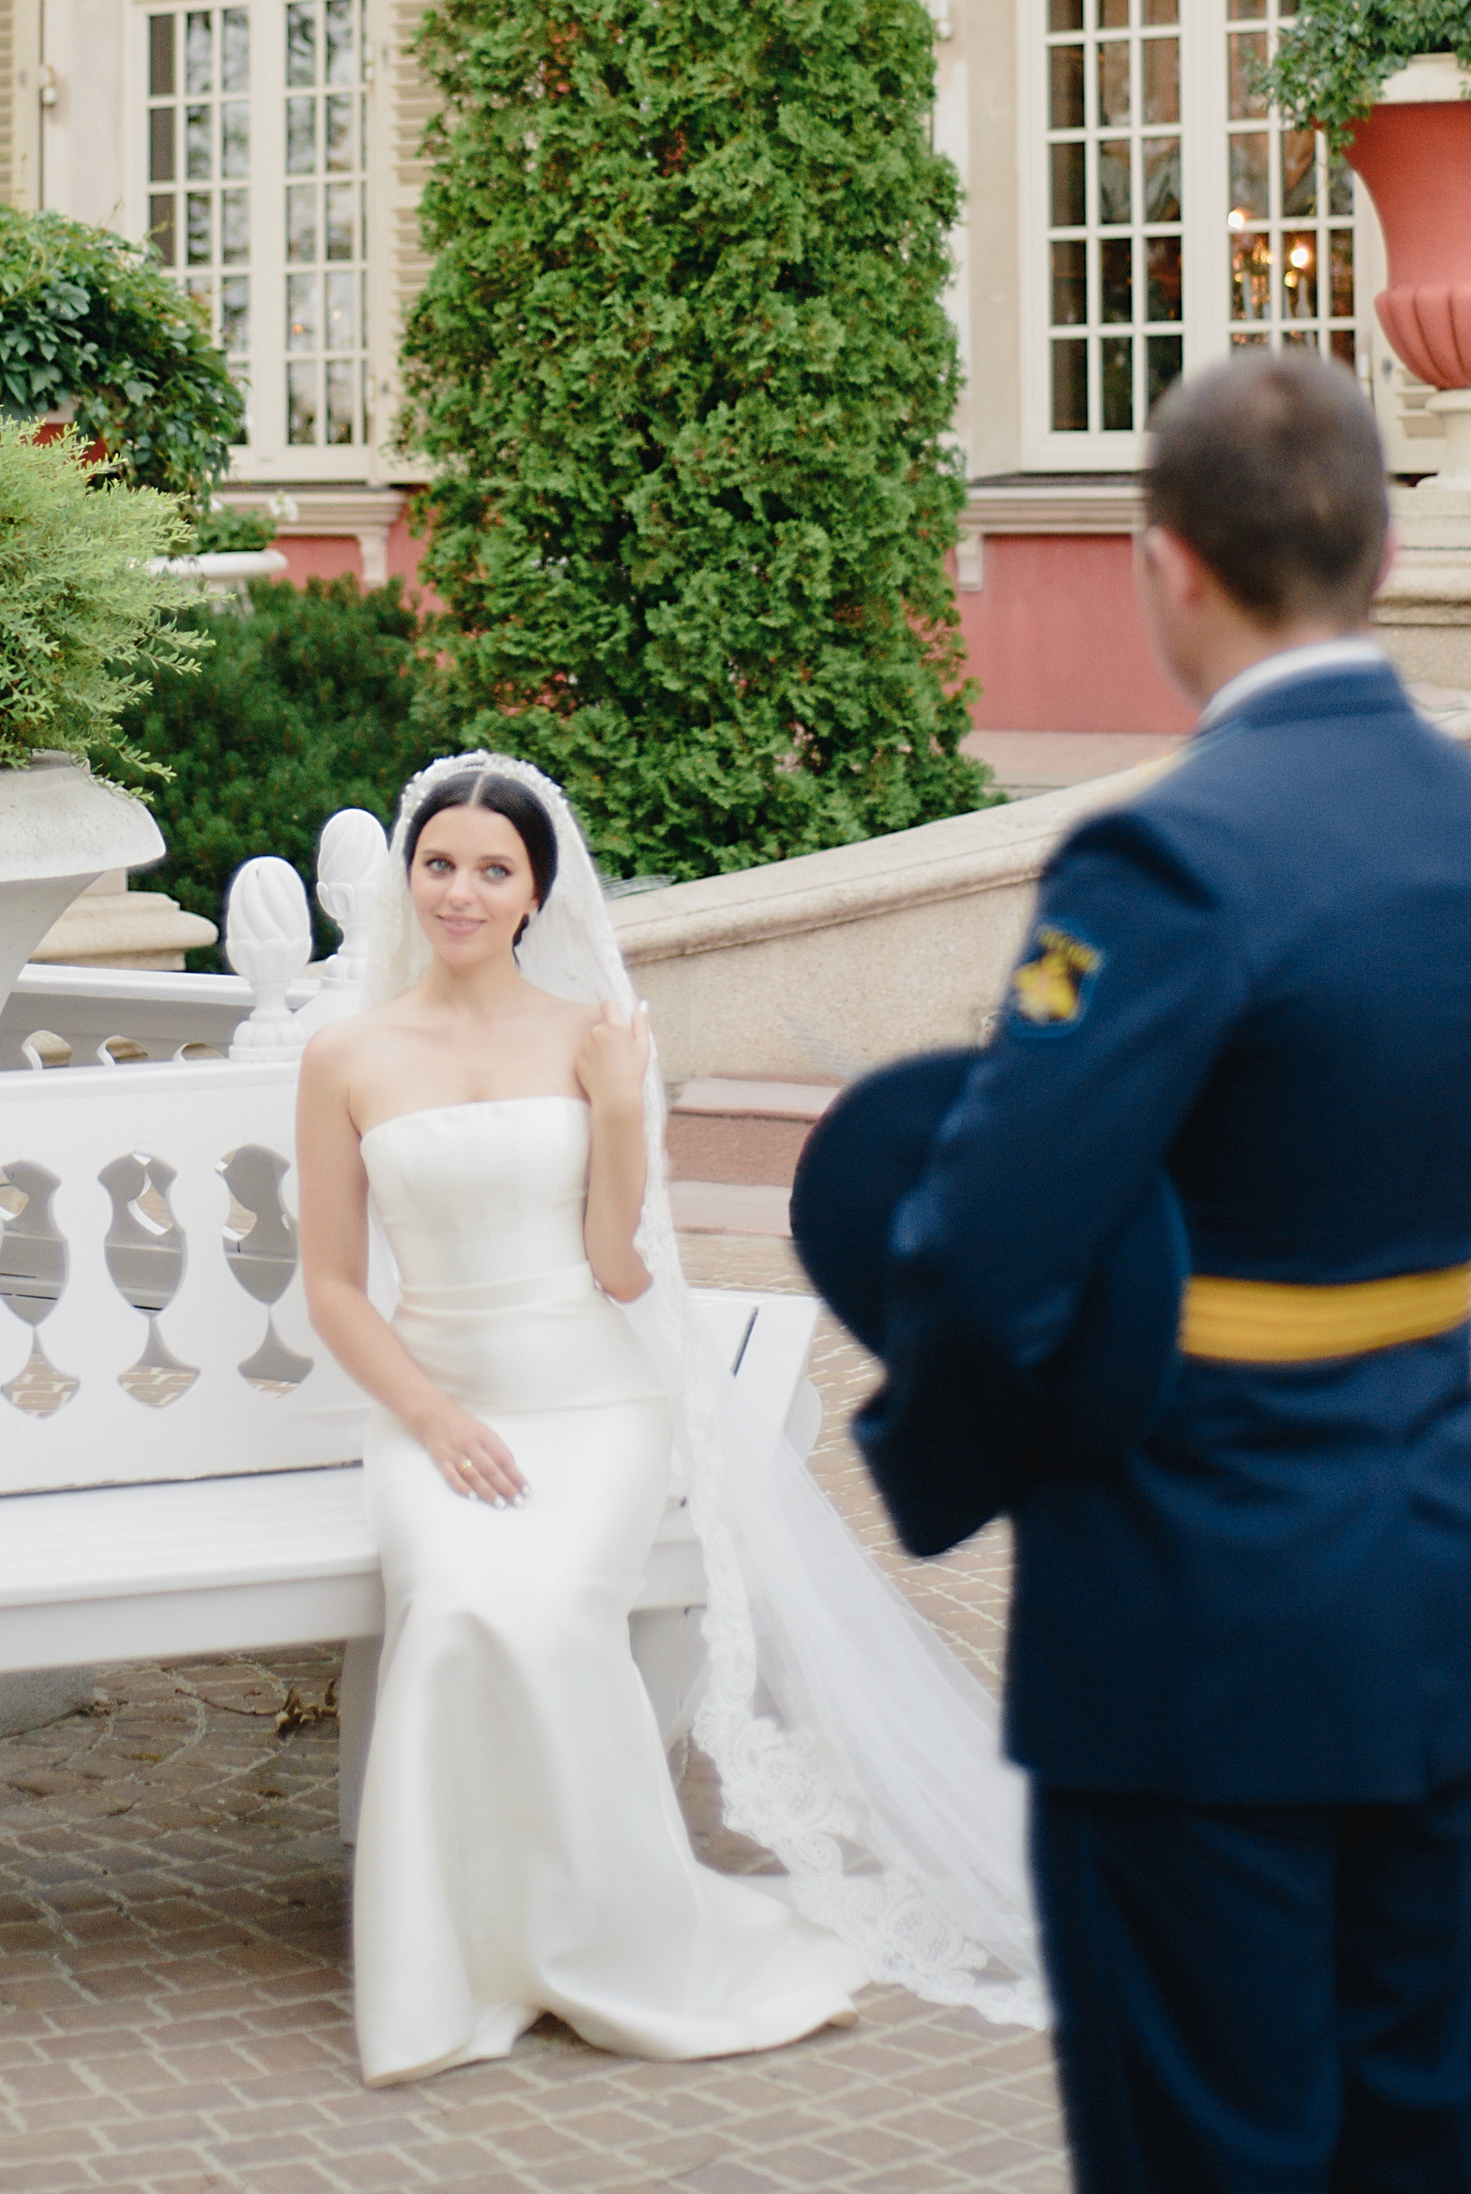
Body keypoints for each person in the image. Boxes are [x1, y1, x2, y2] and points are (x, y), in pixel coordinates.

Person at [865, 350, 1471, 2194]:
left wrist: (925, 1465)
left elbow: (991, 1245)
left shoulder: (1169, 856)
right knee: (1420, 2131)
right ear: (1385, 554)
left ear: (1167, 561)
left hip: (1196, 1620)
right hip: (1426, 1579)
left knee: (1213, 2147)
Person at [295, 758, 867, 2083]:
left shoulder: (592, 1032)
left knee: (548, 1611)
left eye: (494, 869)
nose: (461, 890)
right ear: (408, 875)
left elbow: (620, 1266)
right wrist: (433, 1421)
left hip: (593, 1400)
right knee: (452, 1612)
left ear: (536, 890)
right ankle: (459, 1963)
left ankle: (606, 1938)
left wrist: (621, 1103)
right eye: (440, 863)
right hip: (440, 1404)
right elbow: (330, 1282)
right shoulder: (348, 1054)